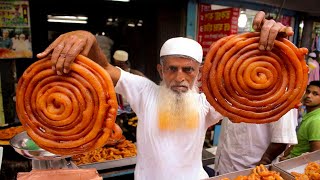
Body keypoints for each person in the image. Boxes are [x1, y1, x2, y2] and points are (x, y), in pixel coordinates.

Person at [37, 11, 293, 180]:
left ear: (199, 73)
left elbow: (254, 86)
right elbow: (103, 69)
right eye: (172, 69)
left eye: (188, 70)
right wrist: (89, 39)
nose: (180, 77)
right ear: (161, 70)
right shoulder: (144, 92)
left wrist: (273, 48)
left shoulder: (207, 105)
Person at [214, 108, 298, 175]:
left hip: (250, 172)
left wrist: (259, 170)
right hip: (223, 169)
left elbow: (281, 140)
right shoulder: (232, 91)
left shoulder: (281, 94)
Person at [280, 80, 320, 161]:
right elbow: (297, 144)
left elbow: (315, 156)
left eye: (315, 94)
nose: (309, 96)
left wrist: (287, 161)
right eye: (308, 92)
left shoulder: (316, 121)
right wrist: (282, 157)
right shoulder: (309, 115)